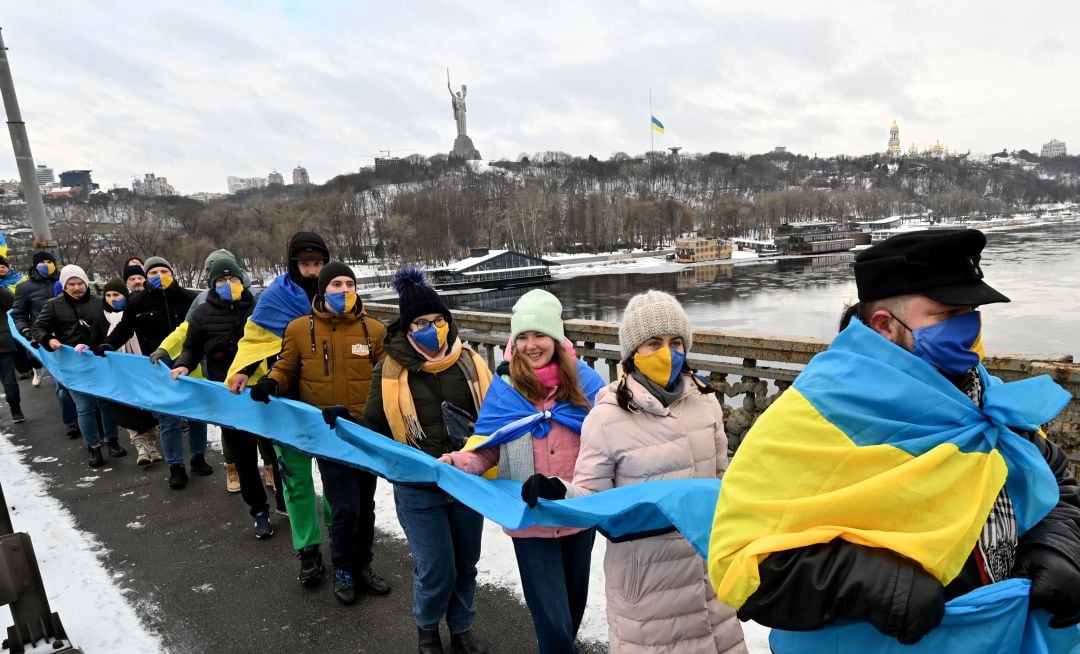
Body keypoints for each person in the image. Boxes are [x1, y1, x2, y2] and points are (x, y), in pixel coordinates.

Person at [708, 229, 1080, 648]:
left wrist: (1058, 545)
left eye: (973, 310)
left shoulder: (985, 396)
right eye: (951, 313)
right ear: (885, 324)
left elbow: (1054, 480)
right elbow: (743, 565)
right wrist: (873, 582)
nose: (972, 328)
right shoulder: (815, 415)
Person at [523, 290, 747, 653]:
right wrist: (558, 491)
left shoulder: (706, 403)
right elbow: (594, 501)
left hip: (709, 578)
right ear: (631, 353)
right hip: (648, 587)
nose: (668, 352)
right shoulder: (607, 417)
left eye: (676, 341)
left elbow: (723, 487)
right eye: (653, 342)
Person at [440, 290, 605, 654]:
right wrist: (459, 462)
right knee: (550, 617)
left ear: (557, 340)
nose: (531, 345)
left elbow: (614, 441)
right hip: (529, 519)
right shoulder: (505, 392)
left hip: (578, 514)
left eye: (539, 335)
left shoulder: (588, 385)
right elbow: (487, 450)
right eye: (523, 337)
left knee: (572, 609)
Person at [361, 266, 492, 654]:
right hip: (419, 486)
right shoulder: (389, 370)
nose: (432, 328)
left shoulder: (470, 362)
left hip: (467, 483)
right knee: (436, 567)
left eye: (438, 320)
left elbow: (495, 417)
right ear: (407, 327)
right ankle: (427, 628)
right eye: (421, 322)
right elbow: (373, 424)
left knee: (466, 563)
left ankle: (462, 627)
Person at [254, 261, 390, 604]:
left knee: (366, 505)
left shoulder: (374, 330)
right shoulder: (299, 329)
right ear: (322, 291)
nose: (345, 291)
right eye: (336, 285)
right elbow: (286, 365)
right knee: (345, 507)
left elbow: (389, 375)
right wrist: (272, 381)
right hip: (327, 432)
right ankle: (343, 567)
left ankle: (363, 565)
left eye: (349, 284)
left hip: (364, 432)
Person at [225, 232, 333, 586]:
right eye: (305, 264)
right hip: (286, 401)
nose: (313, 270)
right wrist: (242, 369)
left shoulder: (337, 293)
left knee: (337, 479)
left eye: (318, 263)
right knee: (297, 481)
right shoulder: (275, 298)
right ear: (293, 264)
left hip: (330, 405)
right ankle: (308, 551)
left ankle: (343, 537)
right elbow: (253, 339)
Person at [170, 257, 274, 538]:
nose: (230, 285)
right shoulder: (202, 313)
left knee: (274, 450)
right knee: (243, 456)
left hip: (261, 390)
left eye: (235, 279)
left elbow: (272, 345)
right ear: (212, 285)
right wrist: (183, 364)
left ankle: (285, 500)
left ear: (244, 282)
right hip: (227, 393)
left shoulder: (258, 309)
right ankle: (259, 510)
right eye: (222, 281)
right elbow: (191, 347)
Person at [98, 255, 210, 489]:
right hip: (156, 367)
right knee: (168, 419)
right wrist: (108, 344)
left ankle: (198, 457)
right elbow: (124, 329)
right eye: (153, 273)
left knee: (197, 416)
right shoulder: (137, 301)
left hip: (191, 364)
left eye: (164, 271)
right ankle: (176, 466)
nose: (159, 277)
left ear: (172, 273)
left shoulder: (189, 298)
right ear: (146, 277)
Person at [31, 265, 126, 467]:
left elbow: (116, 323)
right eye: (71, 284)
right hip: (71, 363)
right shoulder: (53, 305)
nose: (76, 287)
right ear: (64, 286)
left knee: (106, 404)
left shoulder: (99, 303)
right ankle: (93, 447)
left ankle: (112, 441)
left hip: (99, 361)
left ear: (86, 283)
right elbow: (38, 328)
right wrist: (48, 340)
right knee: (84, 407)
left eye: (80, 283)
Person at [91, 278, 162, 465]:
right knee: (126, 407)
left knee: (147, 405)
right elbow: (95, 340)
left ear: (125, 295)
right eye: (108, 295)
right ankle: (140, 447)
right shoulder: (101, 317)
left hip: (141, 366)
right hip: (118, 371)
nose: (112, 299)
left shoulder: (135, 313)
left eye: (117, 295)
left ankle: (152, 444)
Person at [12, 250, 79, 435]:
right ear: (35, 265)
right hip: (47, 340)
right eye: (41, 262)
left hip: (74, 338)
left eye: (49, 261)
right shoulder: (25, 288)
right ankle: (72, 422)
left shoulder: (66, 281)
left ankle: (90, 419)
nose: (46, 264)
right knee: (61, 383)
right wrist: (26, 331)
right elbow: (18, 314)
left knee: (83, 380)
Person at [0, 287, 25, 423]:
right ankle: (16, 410)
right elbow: (11, 302)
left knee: (9, 380)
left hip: (2, 342)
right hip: (3, 341)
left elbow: (11, 302)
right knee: (9, 379)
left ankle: (16, 409)